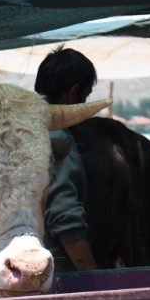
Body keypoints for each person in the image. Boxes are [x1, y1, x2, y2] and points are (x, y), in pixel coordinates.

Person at [36, 47, 101, 272]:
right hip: (51, 274)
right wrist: (93, 279)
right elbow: (65, 220)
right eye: (85, 96)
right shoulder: (58, 140)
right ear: (73, 93)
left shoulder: (17, 131)